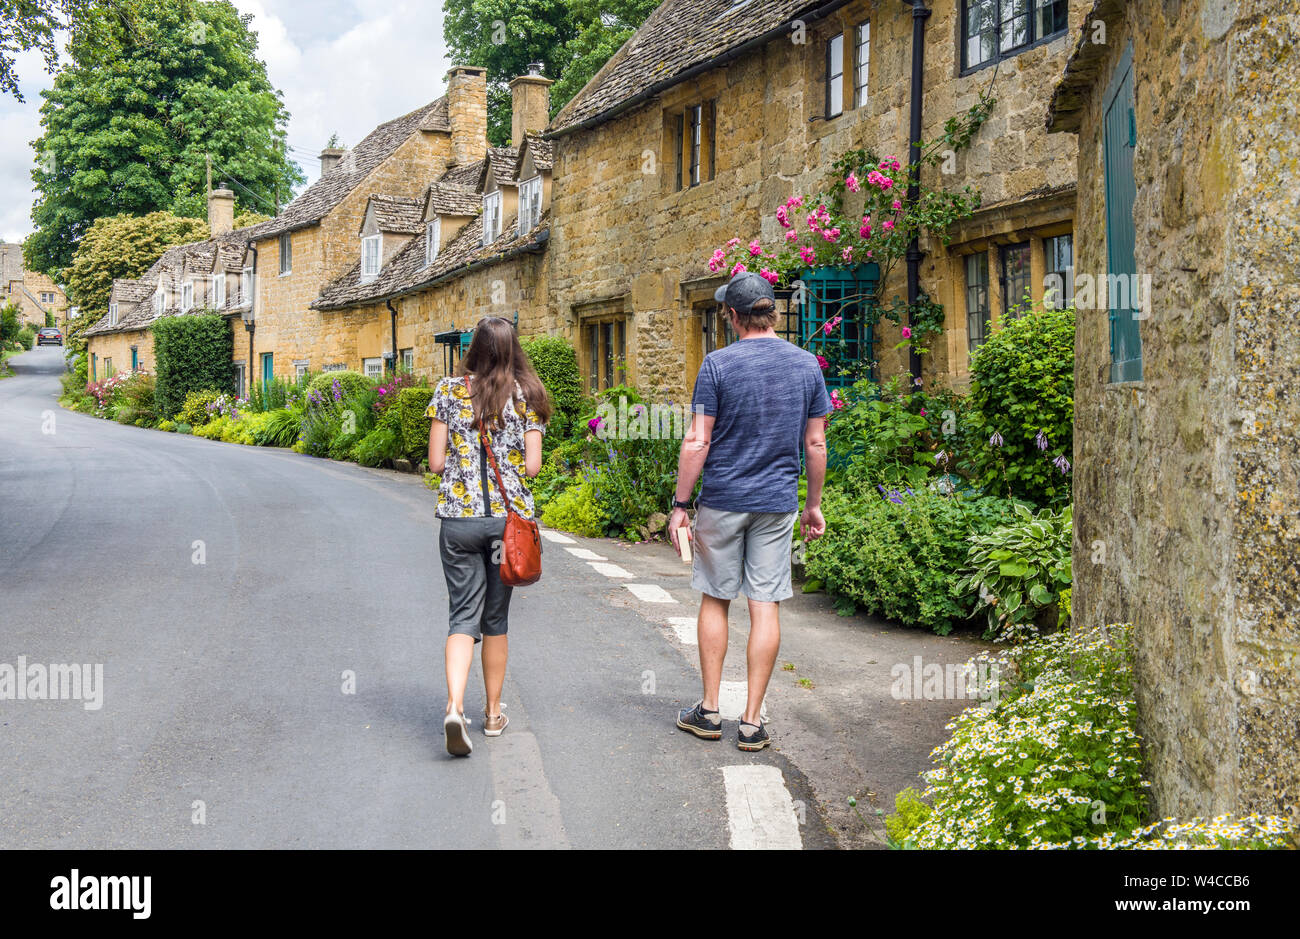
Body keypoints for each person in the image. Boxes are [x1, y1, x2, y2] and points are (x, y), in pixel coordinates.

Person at [669, 271, 830, 751]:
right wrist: (813, 505)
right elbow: (816, 443)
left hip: (722, 500)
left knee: (716, 598)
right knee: (765, 605)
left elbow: (698, 439)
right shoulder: (806, 366)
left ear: (733, 316)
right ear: (773, 313)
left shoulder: (717, 365)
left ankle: (710, 711)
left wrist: (680, 505)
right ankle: (753, 722)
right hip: (776, 504)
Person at [427, 316, 550, 757]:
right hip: (506, 526)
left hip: (459, 522)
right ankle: (494, 714)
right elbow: (532, 468)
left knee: (463, 617)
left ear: (473, 347)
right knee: (495, 621)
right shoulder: (527, 396)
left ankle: (455, 707)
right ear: (513, 348)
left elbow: (437, 463)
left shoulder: (448, 391)